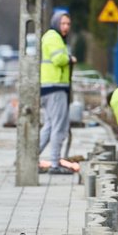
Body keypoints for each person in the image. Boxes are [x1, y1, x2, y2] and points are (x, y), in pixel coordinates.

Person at [39, 11, 76, 174]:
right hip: (56, 87)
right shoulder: (53, 37)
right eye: (63, 23)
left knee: (49, 126)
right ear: (55, 23)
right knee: (59, 127)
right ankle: (55, 163)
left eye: (68, 24)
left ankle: (29, 158)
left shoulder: (52, 37)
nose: (66, 27)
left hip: (50, 87)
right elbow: (58, 60)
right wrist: (70, 59)